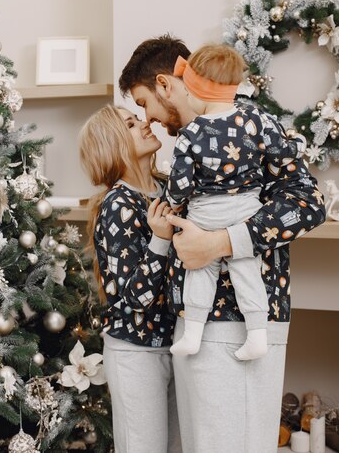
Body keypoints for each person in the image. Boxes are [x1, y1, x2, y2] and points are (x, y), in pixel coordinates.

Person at [119, 34, 325, 453]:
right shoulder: (193, 138)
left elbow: (309, 202)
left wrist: (220, 243)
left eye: (144, 103)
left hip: (240, 320)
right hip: (196, 319)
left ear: (165, 84)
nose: (151, 118)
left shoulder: (254, 124)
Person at [164, 44, 306, 360]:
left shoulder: (191, 133)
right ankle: (257, 335)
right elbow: (282, 153)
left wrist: (173, 201)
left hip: (205, 213)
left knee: (199, 272)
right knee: (247, 273)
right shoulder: (255, 121)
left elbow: (181, 183)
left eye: (187, 91)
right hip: (246, 211)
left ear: (199, 92)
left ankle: (193, 333)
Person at [79, 104, 182, 453]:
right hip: (136, 350)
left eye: (139, 118)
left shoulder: (167, 189)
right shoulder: (118, 204)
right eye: (132, 123)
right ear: (114, 143)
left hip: (175, 341)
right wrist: (160, 238)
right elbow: (136, 297)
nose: (146, 124)